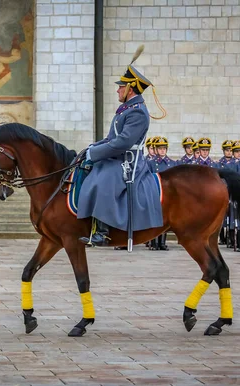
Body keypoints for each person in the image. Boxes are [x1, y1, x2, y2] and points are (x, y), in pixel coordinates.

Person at [77, 47, 166, 247]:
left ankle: (103, 231)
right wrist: (91, 148)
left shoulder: (138, 112)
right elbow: (111, 138)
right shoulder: (126, 109)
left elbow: (124, 142)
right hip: (118, 157)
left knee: (103, 179)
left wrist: (96, 153)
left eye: (120, 87)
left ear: (130, 88)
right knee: (93, 169)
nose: (117, 89)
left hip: (128, 162)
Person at [147, 136, 176, 250]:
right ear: (156, 149)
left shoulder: (171, 163)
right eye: (160, 148)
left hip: (167, 195)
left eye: (164, 148)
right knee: (155, 218)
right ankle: (154, 242)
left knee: (164, 219)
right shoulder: (151, 163)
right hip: (156, 193)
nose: (162, 150)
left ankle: (162, 243)